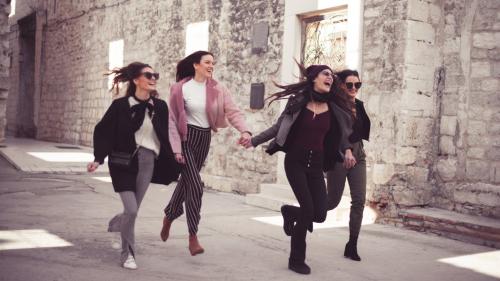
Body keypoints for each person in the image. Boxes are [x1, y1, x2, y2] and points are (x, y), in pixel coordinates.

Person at [242, 64, 355, 275]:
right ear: (314, 78)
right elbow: (278, 127)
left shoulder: (335, 108)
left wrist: (348, 151)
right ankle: (296, 259)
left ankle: (289, 211)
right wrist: (254, 141)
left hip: (317, 165)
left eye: (332, 76)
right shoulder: (298, 102)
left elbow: (343, 135)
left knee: (320, 214)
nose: (330, 78)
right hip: (295, 162)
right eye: (326, 74)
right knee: (308, 211)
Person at [87, 62, 181, 269]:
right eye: (148, 75)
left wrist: (177, 156)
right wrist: (98, 158)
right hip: (123, 162)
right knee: (131, 209)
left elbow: (169, 134)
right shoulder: (120, 106)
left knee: (132, 211)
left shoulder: (160, 106)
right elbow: (104, 131)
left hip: (147, 162)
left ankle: (118, 222)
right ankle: (127, 254)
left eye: (155, 74)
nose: (153, 78)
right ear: (136, 80)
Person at [161, 50, 252, 256]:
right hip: (186, 138)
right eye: (207, 62)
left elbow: (233, 111)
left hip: (203, 139)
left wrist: (244, 130)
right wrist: (176, 149)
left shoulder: (218, 88)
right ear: (196, 65)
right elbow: (172, 122)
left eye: (213, 63)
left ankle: (169, 215)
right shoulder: (180, 88)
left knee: (187, 183)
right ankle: (193, 236)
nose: (211, 66)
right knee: (195, 184)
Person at [326, 69, 370, 261]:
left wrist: (354, 149)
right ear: (342, 85)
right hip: (339, 156)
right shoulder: (333, 105)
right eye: (350, 84)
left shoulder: (358, 105)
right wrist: (346, 150)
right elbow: (337, 132)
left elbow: (359, 132)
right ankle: (297, 212)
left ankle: (352, 244)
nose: (354, 88)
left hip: (358, 155)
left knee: (359, 200)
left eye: (357, 85)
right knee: (331, 202)